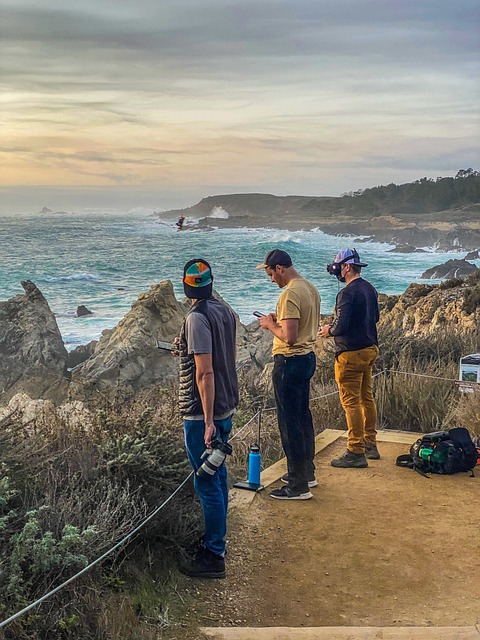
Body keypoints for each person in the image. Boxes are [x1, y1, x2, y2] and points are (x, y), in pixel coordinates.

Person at [177, 258, 238, 578]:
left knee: (206, 481)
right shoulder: (224, 311)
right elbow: (219, 355)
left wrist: (209, 421)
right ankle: (217, 540)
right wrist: (185, 347)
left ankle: (214, 555)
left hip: (203, 414)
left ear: (187, 288)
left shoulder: (197, 318)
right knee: (218, 476)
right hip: (226, 405)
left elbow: (205, 372)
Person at [256, 249, 320, 500]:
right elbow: (302, 326)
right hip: (308, 358)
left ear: (280, 268)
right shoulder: (310, 288)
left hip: (290, 362)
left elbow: (290, 337)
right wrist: (278, 321)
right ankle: (307, 473)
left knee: (289, 423)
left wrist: (269, 324)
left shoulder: (290, 293)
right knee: (303, 418)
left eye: (271, 274)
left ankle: (297, 485)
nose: (271, 280)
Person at [320, 248, 380, 468]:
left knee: (351, 402)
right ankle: (370, 444)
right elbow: (375, 317)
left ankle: (355, 450)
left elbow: (341, 325)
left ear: (346, 267)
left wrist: (328, 330)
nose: (336, 270)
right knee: (367, 397)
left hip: (350, 354)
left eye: (338, 266)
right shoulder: (370, 289)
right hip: (369, 349)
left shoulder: (346, 293)